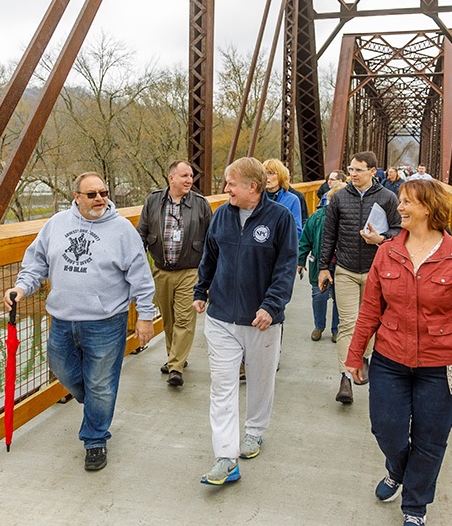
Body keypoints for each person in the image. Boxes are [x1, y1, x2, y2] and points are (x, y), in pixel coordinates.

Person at [345, 179, 452, 525]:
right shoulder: (388, 251)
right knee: (386, 428)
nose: (400, 208)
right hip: (390, 358)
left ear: (428, 207)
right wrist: (355, 355)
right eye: (400, 201)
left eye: (407, 202)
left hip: (443, 364)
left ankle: (415, 506)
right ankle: (397, 470)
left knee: (430, 439)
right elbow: (370, 310)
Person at [3, 172, 155, 472]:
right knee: (66, 371)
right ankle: (99, 400)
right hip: (62, 318)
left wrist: (146, 316)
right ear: (76, 197)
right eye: (92, 194)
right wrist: (21, 288)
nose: (100, 199)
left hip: (106, 321)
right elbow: (37, 264)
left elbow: (140, 276)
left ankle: (95, 440)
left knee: (100, 384)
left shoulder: (123, 230)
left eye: (104, 192)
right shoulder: (56, 225)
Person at [193, 157, 298, 485]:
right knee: (222, 386)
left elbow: (286, 266)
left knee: (260, 379)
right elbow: (210, 255)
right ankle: (226, 456)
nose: (225, 189)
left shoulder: (279, 218)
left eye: (231, 184)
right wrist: (201, 289)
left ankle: (254, 431)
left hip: (261, 320)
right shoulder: (221, 215)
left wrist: (271, 305)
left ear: (252, 187)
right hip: (221, 316)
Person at [318, 151, 401, 404]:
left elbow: (399, 230)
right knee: (348, 323)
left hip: (376, 271)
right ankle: (345, 376)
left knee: (371, 323)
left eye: (358, 170)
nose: (352, 174)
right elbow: (328, 234)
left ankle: (362, 356)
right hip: (345, 269)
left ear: (372, 172)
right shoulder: (340, 198)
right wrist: (323, 267)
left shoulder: (388, 197)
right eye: (350, 169)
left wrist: (382, 240)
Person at [137, 160, 212, 387]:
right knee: (168, 319)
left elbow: (212, 239)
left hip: (190, 270)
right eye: (184, 176)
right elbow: (141, 233)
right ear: (171, 178)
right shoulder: (153, 201)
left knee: (184, 319)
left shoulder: (200, 204)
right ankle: (175, 357)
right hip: (161, 270)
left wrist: (209, 275)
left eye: (191, 176)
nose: (189, 180)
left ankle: (176, 366)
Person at [299, 183, 344, 342]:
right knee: (319, 295)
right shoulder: (317, 217)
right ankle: (319, 326)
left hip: (342, 265)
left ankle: (336, 330)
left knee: (340, 298)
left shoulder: (349, 219)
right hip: (321, 264)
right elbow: (305, 240)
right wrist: (301, 260)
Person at [262, 158, 302, 236]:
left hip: (280, 245)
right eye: (264, 173)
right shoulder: (256, 197)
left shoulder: (292, 200)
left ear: (281, 175)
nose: (267, 177)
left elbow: (297, 231)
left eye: (270, 173)